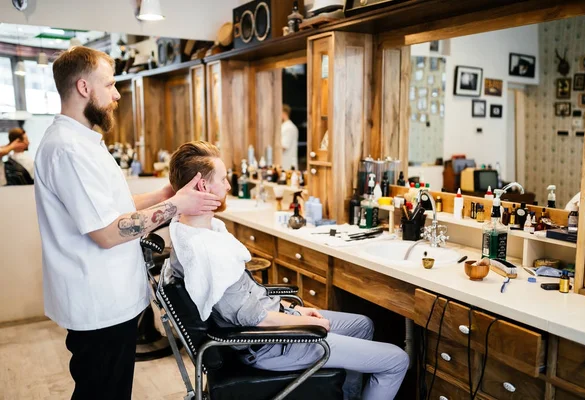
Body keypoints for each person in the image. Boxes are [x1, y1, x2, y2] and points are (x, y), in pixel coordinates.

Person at [34, 47, 221, 400]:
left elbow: (114, 210)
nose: (117, 94)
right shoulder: (68, 150)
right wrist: (176, 205)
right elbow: (106, 233)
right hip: (98, 303)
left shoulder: (85, 142)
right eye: (111, 84)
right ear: (85, 87)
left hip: (110, 297)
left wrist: (164, 192)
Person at [167, 141, 409, 400]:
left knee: (362, 325)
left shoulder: (196, 233)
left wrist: (292, 308)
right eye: (224, 179)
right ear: (202, 186)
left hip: (272, 327)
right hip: (271, 345)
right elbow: (254, 319)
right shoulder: (205, 250)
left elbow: (250, 297)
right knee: (397, 360)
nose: (228, 186)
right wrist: (306, 322)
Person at [281, 104, 298, 170]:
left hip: (287, 166)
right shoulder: (283, 126)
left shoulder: (289, 128)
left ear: (284, 113)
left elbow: (284, 147)